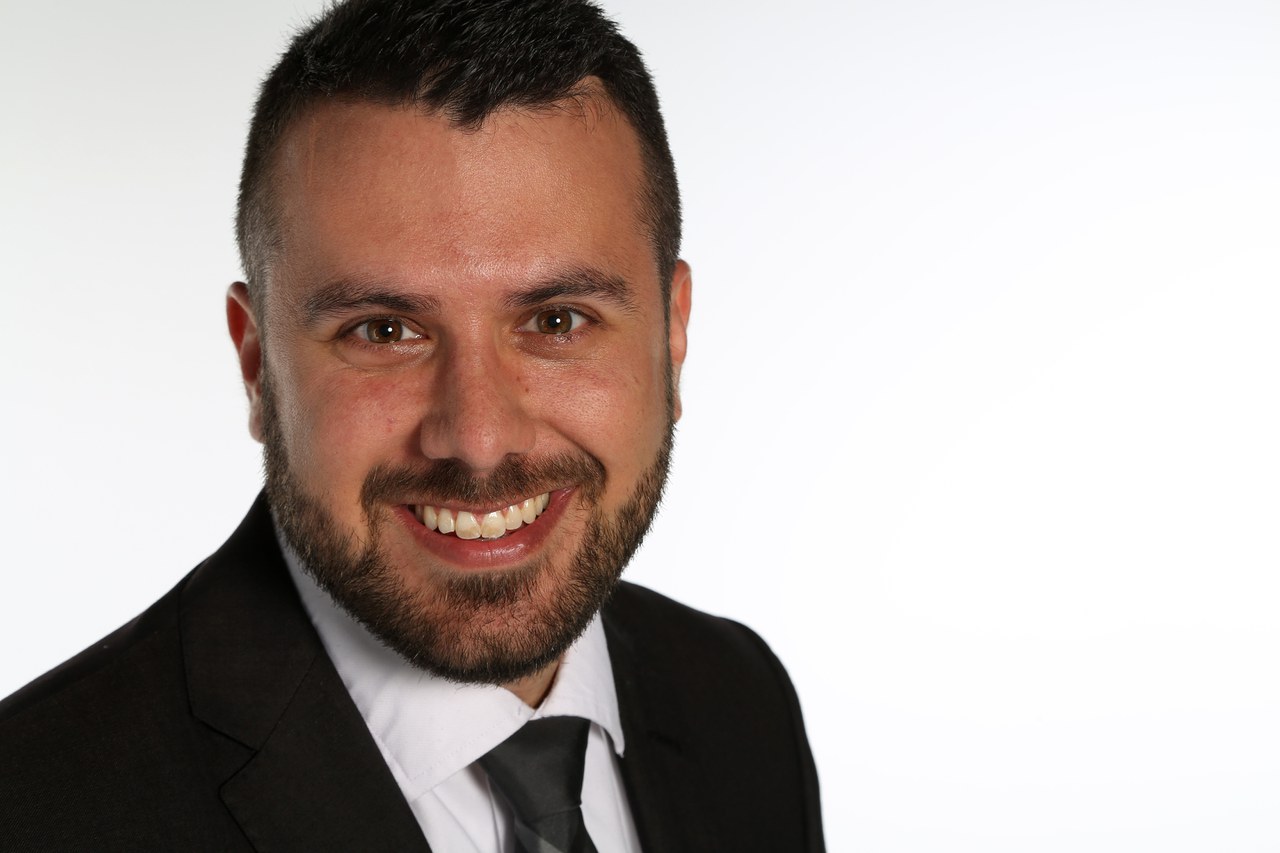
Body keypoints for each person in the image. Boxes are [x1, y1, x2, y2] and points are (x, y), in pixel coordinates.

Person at [0, 1, 824, 850]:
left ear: (672, 337)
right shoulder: (34, 808)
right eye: (384, 331)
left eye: (557, 321)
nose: (478, 439)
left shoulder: (739, 701)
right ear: (257, 365)